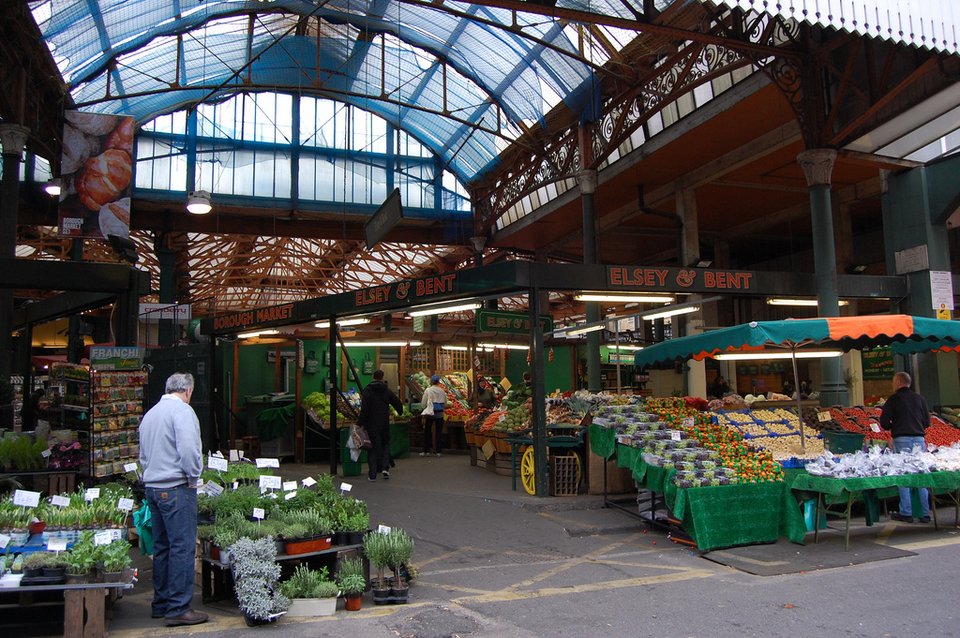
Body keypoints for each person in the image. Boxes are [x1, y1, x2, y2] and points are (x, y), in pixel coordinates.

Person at [138, 372, 208, 627]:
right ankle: (179, 608)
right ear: (188, 391)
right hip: (176, 488)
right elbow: (189, 449)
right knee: (182, 546)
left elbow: (143, 456)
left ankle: (161, 603)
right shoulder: (183, 412)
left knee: (163, 547)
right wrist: (193, 477)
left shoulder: (151, 414)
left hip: (153, 488)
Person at [879, 371, 931, 523]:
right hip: (919, 440)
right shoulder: (920, 398)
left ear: (898, 382)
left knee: (903, 473)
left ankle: (906, 512)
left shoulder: (893, 400)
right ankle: (925, 513)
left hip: (901, 439)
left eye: (893, 381)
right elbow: (927, 422)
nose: (892, 384)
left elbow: (883, 422)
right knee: (920, 474)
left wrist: (894, 425)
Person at [359, 369, 404, 480]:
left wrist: (360, 422)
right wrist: (400, 412)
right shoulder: (386, 390)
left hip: (371, 423)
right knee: (385, 444)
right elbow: (397, 402)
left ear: (373, 377)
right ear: (382, 377)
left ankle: (372, 475)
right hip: (384, 422)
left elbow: (364, 409)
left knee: (372, 448)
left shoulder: (367, 391)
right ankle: (385, 468)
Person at [419, 374, 447, 457]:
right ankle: (438, 451)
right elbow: (445, 403)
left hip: (430, 413)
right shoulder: (442, 390)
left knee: (427, 432)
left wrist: (424, 408)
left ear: (431, 382)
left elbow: (424, 402)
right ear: (438, 382)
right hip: (440, 413)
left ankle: (426, 451)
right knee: (439, 432)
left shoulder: (428, 390)